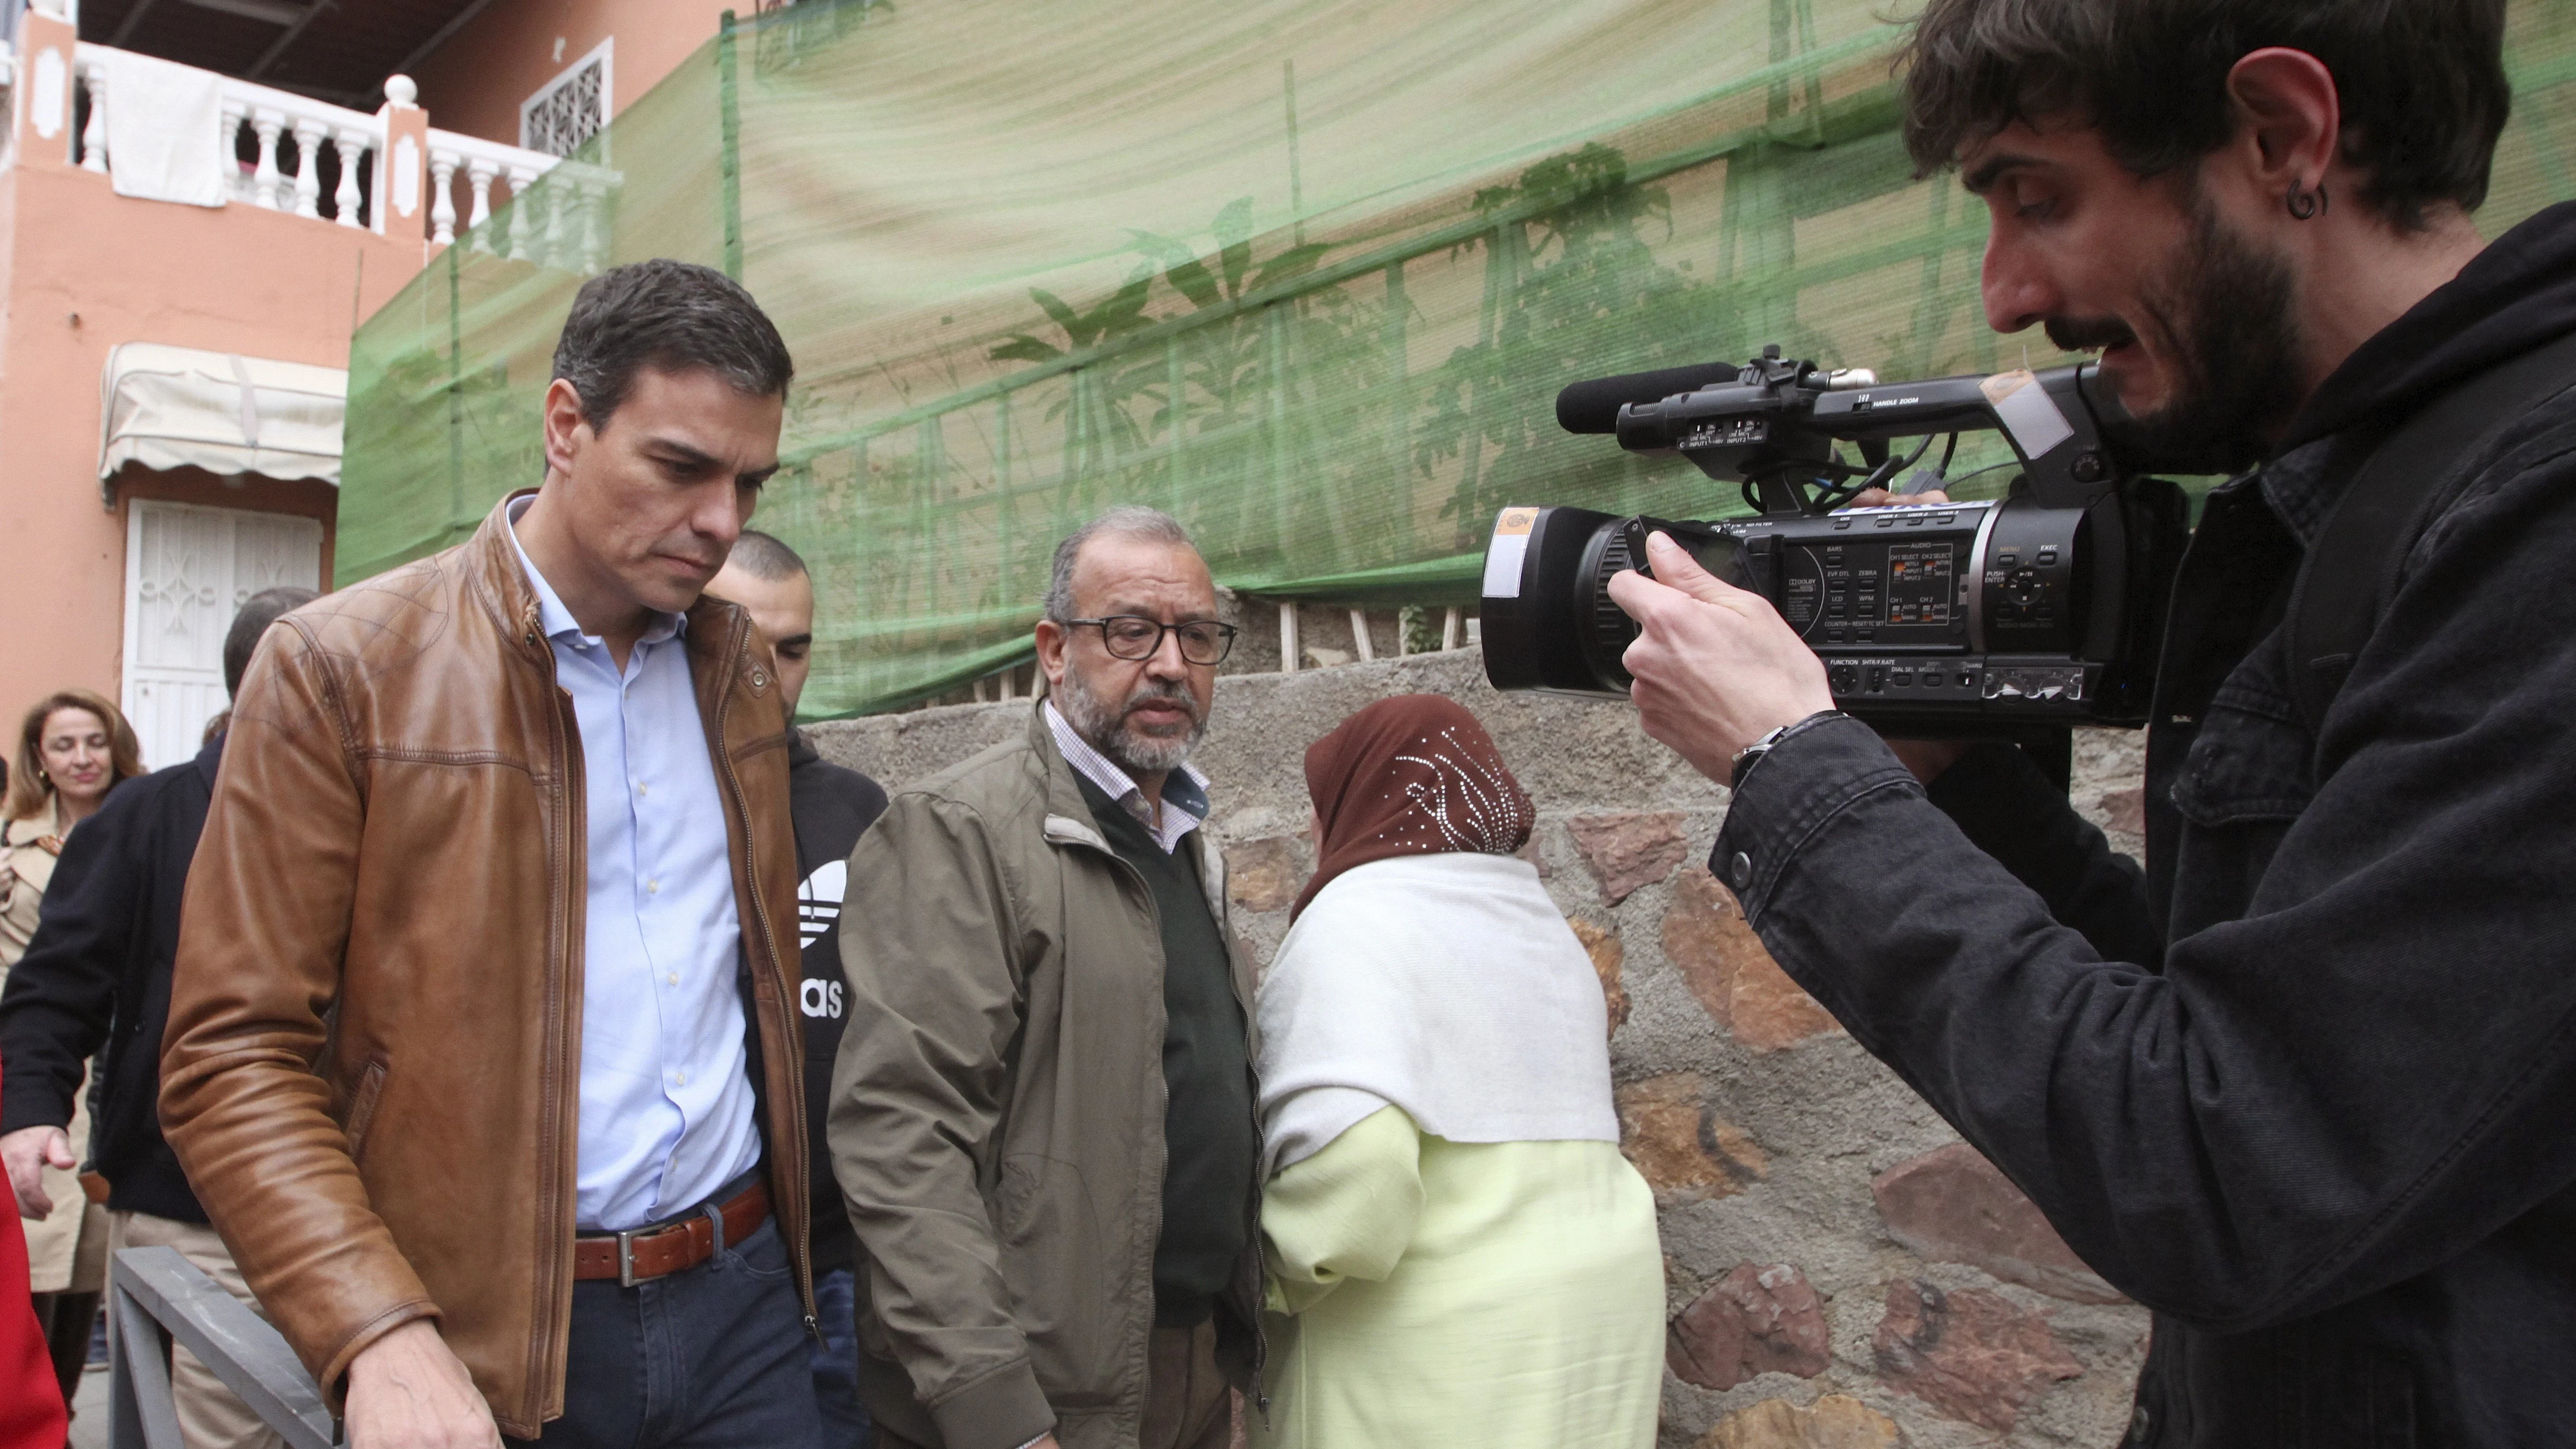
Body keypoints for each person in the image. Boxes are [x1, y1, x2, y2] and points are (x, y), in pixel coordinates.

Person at [1602, 1, 2576, 1443]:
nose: (2001, 293)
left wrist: (1794, 770)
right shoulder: (2353, 491)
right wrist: (1953, 788)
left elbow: (2234, 1166)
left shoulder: (2531, 519)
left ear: (2283, 136)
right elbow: (2225, 1031)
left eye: (2038, 199)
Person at [159, 259, 821, 1449]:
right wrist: (373, 1328)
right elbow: (230, 1054)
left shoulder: (734, 668)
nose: (724, 522)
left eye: (748, 481)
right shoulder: (340, 669)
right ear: (567, 424)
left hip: (745, 1303)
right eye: (681, 467)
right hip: (486, 1333)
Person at [833, 506, 1260, 1449]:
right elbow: (903, 1130)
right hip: (1032, 1400)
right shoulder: (961, 829)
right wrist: (995, 1410)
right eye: (1131, 630)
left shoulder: (1183, 838)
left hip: (1177, 1371)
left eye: (1197, 636)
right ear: (1054, 651)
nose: (1170, 665)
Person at [1250, 695, 1657, 1449]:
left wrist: (1255, 1283)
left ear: (1366, 799)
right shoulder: (1544, 929)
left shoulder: (1355, 922)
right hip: (1589, 1338)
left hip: (1437, 1365)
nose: (1314, 830)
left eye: (1322, 805)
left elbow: (1356, 1191)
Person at [0, 589, 313, 1449]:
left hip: (360, 1214)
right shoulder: (144, 819)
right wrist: (31, 1110)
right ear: (271, 683)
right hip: (193, 1211)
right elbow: (56, 987)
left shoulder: (380, 811)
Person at [707, 532, 888, 1449]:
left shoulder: (861, 814)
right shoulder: (640, 808)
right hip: (696, 1272)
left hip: (840, 1271)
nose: (771, 674)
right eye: (743, 643)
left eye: (794, 648)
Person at [1, 689, 142, 1417]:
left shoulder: (146, 819)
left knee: (88, 1270)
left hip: (119, 1068)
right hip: (35, 1072)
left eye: (94, 741)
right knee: (27, 1268)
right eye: (64, 746)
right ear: (40, 760)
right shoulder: (10, 841)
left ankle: (55, 1412)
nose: (83, 758)